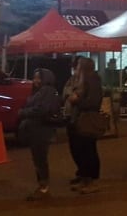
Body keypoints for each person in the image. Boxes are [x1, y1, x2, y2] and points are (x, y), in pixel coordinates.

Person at [19, 68, 60, 201]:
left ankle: (44, 188)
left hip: (42, 130)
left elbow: (42, 109)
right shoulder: (40, 91)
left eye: (39, 78)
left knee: (40, 160)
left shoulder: (47, 91)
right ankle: (42, 187)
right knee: (38, 159)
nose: (36, 80)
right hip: (37, 129)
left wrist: (24, 112)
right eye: (35, 77)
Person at [67, 57, 103, 194]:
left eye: (79, 66)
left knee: (89, 150)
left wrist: (76, 102)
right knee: (81, 150)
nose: (76, 68)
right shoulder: (82, 80)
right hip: (79, 118)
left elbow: (93, 102)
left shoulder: (92, 79)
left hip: (87, 119)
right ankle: (85, 178)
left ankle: (92, 180)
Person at [63, 56, 84, 186]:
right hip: (69, 115)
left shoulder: (85, 81)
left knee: (81, 147)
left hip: (80, 118)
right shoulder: (71, 80)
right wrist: (71, 94)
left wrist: (72, 95)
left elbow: (76, 97)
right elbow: (65, 93)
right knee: (73, 147)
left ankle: (84, 174)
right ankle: (80, 172)